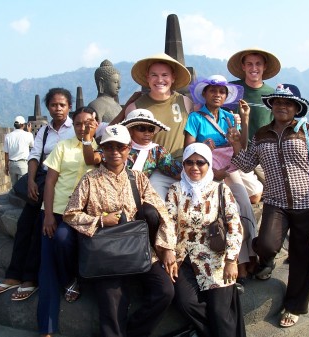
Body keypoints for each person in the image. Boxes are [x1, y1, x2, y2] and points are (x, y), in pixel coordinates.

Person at [227, 84, 309, 328]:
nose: (282, 106)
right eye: (277, 102)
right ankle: (265, 260)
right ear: (271, 106)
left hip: (307, 201)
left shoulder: (306, 130)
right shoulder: (262, 133)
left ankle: (294, 306)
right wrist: (235, 144)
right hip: (275, 201)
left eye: (288, 103)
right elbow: (245, 164)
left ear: (296, 107)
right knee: (266, 243)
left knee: (301, 256)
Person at [63, 124, 175, 337]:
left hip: (136, 246)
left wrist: (167, 248)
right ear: (102, 150)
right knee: (112, 304)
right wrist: (100, 220)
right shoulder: (90, 179)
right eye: (109, 147)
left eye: (120, 147)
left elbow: (162, 212)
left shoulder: (138, 178)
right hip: (105, 251)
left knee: (165, 291)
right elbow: (70, 214)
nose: (114, 152)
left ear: (128, 149)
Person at [0, 88, 75, 301]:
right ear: (48, 107)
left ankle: (30, 278)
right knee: (24, 224)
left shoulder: (76, 129)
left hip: (63, 183)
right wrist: (29, 181)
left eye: (62, 105)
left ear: (69, 107)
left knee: (40, 227)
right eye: (54, 105)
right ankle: (13, 274)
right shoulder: (44, 131)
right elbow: (35, 155)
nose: (58, 109)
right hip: (42, 179)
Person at [156, 143, 246, 337]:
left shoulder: (220, 190)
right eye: (189, 162)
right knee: (186, 302)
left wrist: (231, 260)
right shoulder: (175, 190)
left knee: (220, 312)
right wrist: (168, 250)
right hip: (184, 258)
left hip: (215, 257)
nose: (194, 167)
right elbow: (169, 221)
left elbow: (234, 225)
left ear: (209, 164)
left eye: (200, 162)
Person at [185, 75, 257, 290]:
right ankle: (240, 264)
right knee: (224, 214)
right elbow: (189, 150)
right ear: (205, 94)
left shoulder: (228, 116)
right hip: (207, 171)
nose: (217, 95)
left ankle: (252, 254)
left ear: (226, 96)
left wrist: (244, 120)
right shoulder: (195, 118)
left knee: (243, 205)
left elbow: (241, 146)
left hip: (230, 167)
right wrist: (202, 146)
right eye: (213, 90)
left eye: (222, 92)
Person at [37, 107, 98, 337]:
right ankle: (47, 326)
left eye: (89, 123)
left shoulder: (103, 148)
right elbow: (50, 182)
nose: (84, 127)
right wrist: (49, 215)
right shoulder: (63, 147)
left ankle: (72, 279)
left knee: (64, 241)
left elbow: (93, 159)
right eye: (80, 123)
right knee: (48, 263)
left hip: (86, 214)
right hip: (59, 209)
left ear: (96, 123)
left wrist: (89, 141)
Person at [110, 52, 193, 199]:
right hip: (153, 168)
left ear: (173, 78)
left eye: (165, 75)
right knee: (156, 204)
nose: (159, 80)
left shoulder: (185, 102)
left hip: (184, 165)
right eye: (154, 75)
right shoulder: (135, 107)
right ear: (147, 78)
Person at [227, 48, 281, 203]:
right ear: (243, 67)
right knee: (255, 194)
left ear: (264, 67)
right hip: (236, 153)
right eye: (249, 64)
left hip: (263, 153)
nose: (254, 68)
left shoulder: (272, 94)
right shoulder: (232, 90)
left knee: (278, 189)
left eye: (258, 64)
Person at [120, 108, 182, 179]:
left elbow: (178, 173)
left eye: (151, 129)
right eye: (141, 128)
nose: (147, 133)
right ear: (130, 130)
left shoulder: (157, 151)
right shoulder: (117, 147)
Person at [87, 59, 122, 138]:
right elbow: (93, 133)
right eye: (115, 82)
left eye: (119, 82)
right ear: (101, 83)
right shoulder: (96, 105)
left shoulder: (118, 106)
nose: (119, 86)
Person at [3, 116, 34, 185]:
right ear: (23, 125)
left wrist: (6, 166)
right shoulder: (28, 135)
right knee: (23, 186)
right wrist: (29, 132)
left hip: (12, 164)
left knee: (15, 188)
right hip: (23, 163)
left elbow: (6, 153)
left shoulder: (8, 136)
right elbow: (32, 145)